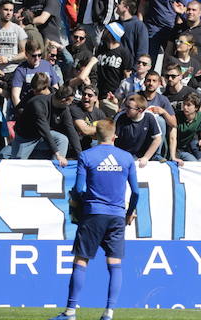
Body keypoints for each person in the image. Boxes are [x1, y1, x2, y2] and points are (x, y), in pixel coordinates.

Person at [50, 118, 137, 320]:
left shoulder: (87, 156)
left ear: (95, 136)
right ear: (114, 135)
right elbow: (136, 192)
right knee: (114, 263)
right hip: (116, 215)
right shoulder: (126, 158)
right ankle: (109, 313)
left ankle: (70, 312)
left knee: (81, 260)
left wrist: (80, 204)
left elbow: (79, 189)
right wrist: (129, 211)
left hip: (93, 214)